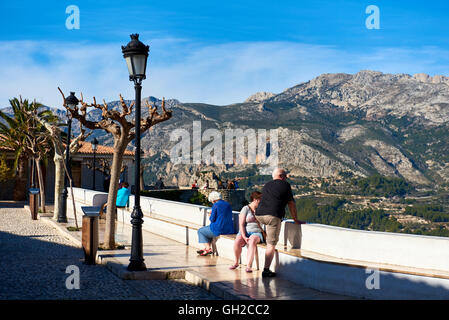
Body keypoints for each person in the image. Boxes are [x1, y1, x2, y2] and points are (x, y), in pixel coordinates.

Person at [255, 168, 306, 277]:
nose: (287, 178)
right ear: (281, 176)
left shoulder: (267, 184)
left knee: (268, 236)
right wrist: (295, 219)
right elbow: (291, 204)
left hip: (259, 215)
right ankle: (266, 270)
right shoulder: (285, 185)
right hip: (272, 215)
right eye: (286, 176)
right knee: (271, 244)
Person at [230, 191, 264, 272]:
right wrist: (244, 236)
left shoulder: (262, 209)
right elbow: (241, 224)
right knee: (237, 241)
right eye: (261, 200)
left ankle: (248, 266)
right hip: (245, 231)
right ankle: (236, 262)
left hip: (256, 232)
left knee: (252, 241)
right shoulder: (245, 209)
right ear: (256, 200)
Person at [197, 191, 235, 256]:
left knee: (200, 231)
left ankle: (208, 248)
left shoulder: (216, 205)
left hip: (219, 229)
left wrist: (210, 214)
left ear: (213, 199)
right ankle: (206, 248)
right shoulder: (227, 204)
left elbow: (212, 219)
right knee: (207, 230)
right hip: (229, 229)